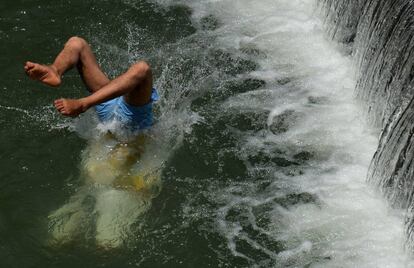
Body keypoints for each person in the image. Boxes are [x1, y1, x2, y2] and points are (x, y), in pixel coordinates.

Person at [24, 36, 158, 131]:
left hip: (128, 117)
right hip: (110, 104)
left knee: (142, 68)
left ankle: (83, 103)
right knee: (77, 42)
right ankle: (55, 70)